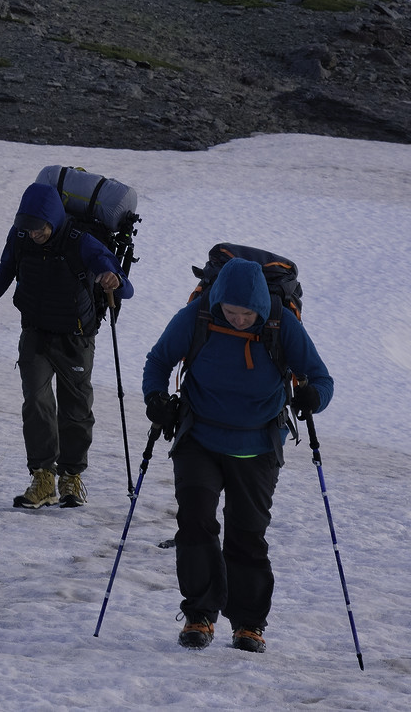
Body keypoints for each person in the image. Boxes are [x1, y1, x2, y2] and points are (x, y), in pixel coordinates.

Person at [140, 254, 333, 654]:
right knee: (195, 522)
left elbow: (321, 377)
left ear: (260, 307)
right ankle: (199, 615)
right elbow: (158, 360)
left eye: (246, 314)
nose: (237, 319)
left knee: (246, 534)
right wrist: (156, 398)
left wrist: (314, 396)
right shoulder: (198, 316)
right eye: (229, 311)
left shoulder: (282, 325)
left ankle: (248, 624)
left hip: (257, 444)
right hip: (199, 438)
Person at [0, 181, 132, 509]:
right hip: (36, 332)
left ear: (53, 221)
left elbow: (124, 289)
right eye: (26, 228)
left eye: (38, 229)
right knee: (37, 403)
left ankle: (71, 477)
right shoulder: (20, 237)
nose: (32, 235)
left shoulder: (81, 243)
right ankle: (43, 478)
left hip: (76, 336)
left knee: (75, 408)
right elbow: (6, 269)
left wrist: (113, 279)